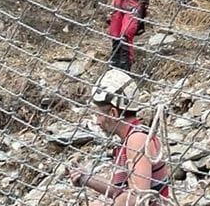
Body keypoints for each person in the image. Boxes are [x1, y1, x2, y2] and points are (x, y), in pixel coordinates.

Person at [68, 68, 170, 205]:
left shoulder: (136, 140)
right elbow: (120, 190)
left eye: (98, 115)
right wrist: (86, 178)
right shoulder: (128, 139)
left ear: (113, 113)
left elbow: (138, 197)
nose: (96, 122)